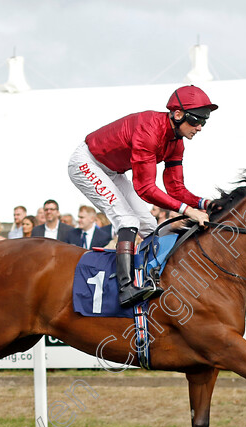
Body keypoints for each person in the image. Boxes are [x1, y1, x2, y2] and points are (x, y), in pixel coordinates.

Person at [67, 85, 214, 306]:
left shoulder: (177, 143)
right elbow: (144, 188)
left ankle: (151, 278)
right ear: (177, 114)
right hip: (86, 162)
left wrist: (205, 203)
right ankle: (125, 289)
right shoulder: (149, 130)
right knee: (127, 220)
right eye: (196, 120)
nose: (200, 127)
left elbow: (175, 188)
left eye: (205, 121)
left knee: (148, 225)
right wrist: (189, 211)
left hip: (112, 171)